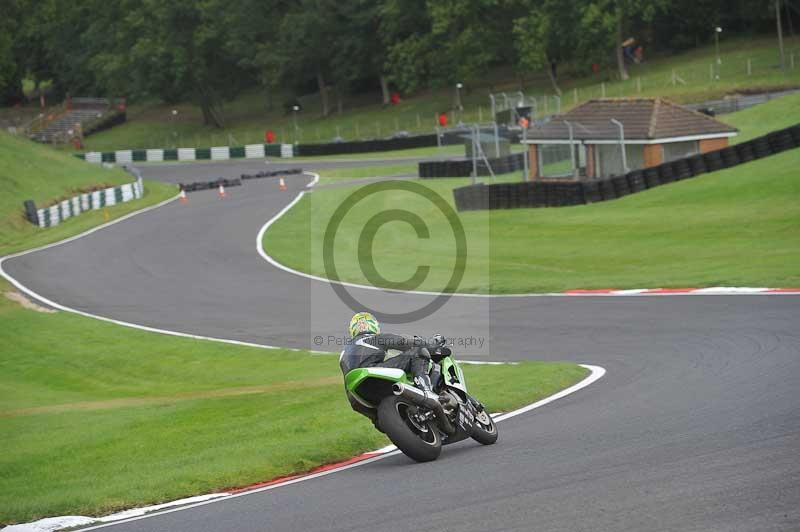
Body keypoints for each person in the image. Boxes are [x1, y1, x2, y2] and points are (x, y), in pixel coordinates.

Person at [340, 312, 445, 424]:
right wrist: (431, 344)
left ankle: (380, 422)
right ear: (373, 326)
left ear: (352, 330)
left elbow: (348, 386)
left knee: (378, 421)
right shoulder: (373, 338)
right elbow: (405, 341)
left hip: (357, 395)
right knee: (417, 352)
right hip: (372, 374)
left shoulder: (343, 354)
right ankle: (427, 391)